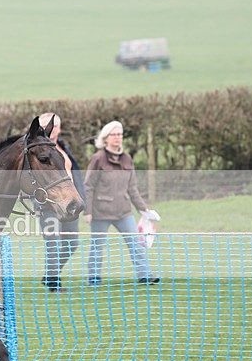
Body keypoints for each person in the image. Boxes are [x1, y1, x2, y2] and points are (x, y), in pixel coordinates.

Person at [83, 120, 160, 285]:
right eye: (114, 134)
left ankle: (145, 275)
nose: (118, 137)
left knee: (136, 244)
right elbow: (88, 186)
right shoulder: (97, 159)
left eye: (120, 134)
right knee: (97, 246)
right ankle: (94, 278)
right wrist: (87, 211)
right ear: (106, 138)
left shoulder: (127, 159)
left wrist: (144, 210)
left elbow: (132, 189)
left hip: (124, 212)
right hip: (100, 212)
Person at [36, 113, 85, 292]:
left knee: (72, 244)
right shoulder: (39, 151)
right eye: (51, 126)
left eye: (57, 126)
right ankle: (54, 284)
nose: (54, 130)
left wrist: (82, 199)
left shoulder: (63, 148)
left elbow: (75, 175)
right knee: (54, 243)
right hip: (49, 206)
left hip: (69, 204)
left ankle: (50, 274)